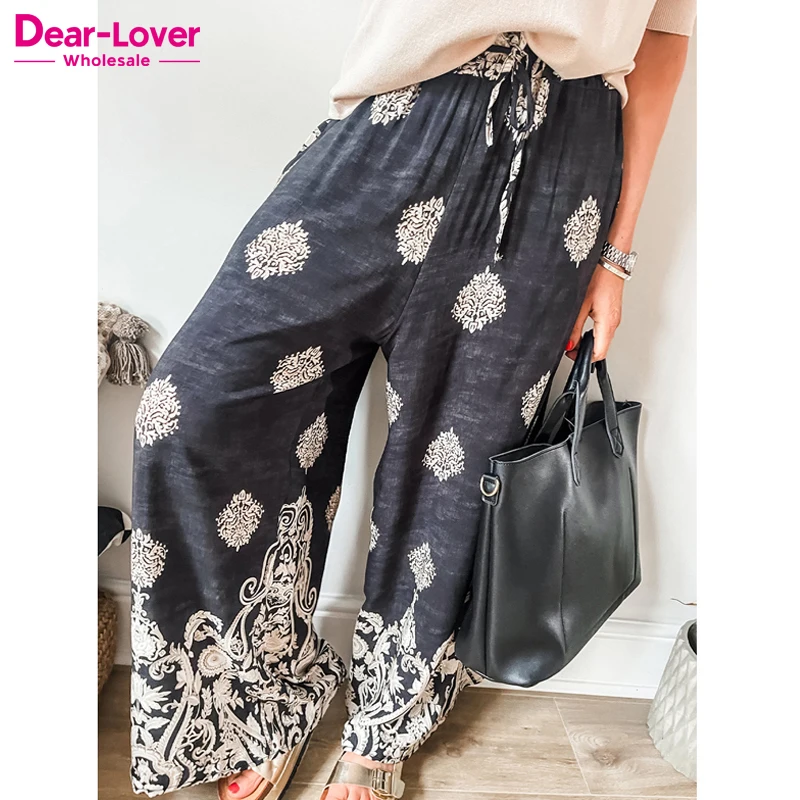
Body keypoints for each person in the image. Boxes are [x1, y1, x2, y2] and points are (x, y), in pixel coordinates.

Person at [128, 2, 695, 799]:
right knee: (191, 412)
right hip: (390, 129)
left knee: (454, 471)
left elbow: (664, 36)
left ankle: (383, 726)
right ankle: (265, 697)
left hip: (556, 169)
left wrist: (615, 257)